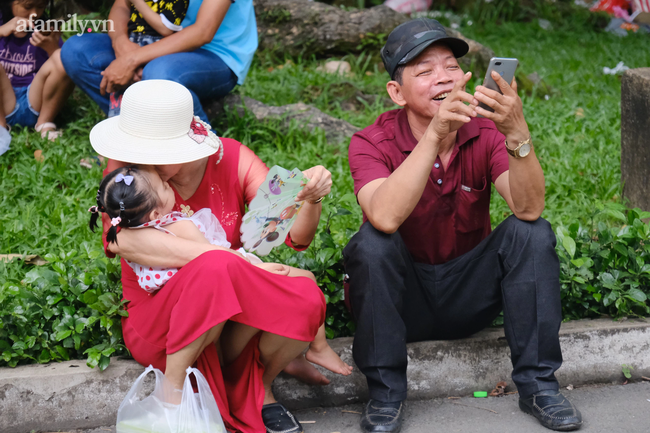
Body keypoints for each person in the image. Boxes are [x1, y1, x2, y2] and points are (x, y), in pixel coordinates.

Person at [344, 18, 583, 432]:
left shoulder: (485, 129)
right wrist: (434, 136)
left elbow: (528, 208)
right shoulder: (370, 142)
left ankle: (540, 387)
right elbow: (383, 216)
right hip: (406, 300)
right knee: (371, 243)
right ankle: (385, 395)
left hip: (469, 292)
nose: (443, 77)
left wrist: (517, 133)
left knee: (532, 233)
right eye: (424, 71)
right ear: (396, 92)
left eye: (451, 66)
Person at [90, 79, 331, 433]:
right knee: (217, 267)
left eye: (158, 154)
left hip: (228, 308)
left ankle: (259, 386)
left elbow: (293, 236)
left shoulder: (232, 160)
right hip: (162, 318)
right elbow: (119, 241)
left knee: (304, 294)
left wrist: (311, 198)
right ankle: (191, 391)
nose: (146, 163)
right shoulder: (130, 170)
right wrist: (233, 260)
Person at [89, 164, 353, 378]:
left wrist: (306, 194)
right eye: (164, 186)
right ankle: (312, 349)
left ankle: (294, 356)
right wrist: (252, 267)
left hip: (212, 288)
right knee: (301, 281)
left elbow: (291, 234)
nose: (165, 181)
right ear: (155, 213)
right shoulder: (141, 186)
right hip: (188, 304)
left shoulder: (142, 195)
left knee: (301, 286)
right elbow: (215, 264)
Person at [60, 0, 255, 124]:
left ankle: (207, 154)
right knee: (76, 50)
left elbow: (202, 32)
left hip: (215, 53)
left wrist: (133, 59)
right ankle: (128, 125)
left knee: (159, 74)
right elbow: (121, 6)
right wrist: (121, 44)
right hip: (151, 43)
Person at [0, 0, 74, 155]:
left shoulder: (45, 28)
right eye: (27, 7)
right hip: (4, 100)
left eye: (40, 7)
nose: (34, 13)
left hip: (35, 97)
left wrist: (51, 47)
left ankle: (44, 124)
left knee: (63, 57)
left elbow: (62, 69)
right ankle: (1, 128)